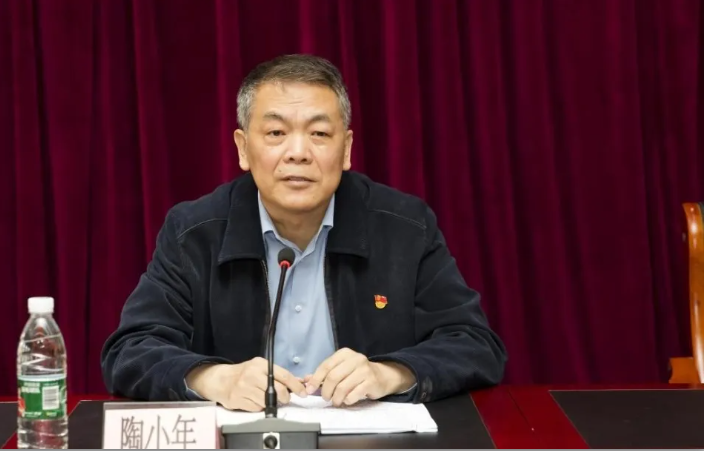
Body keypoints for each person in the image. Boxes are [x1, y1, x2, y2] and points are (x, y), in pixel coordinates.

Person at [100, 54, 507, 412]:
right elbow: (129, 351)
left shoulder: (404, 227)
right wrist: (214, 379)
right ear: (243, 148)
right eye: (276, 133)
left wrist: (390, 374)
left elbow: (474, 343)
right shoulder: (194, 232)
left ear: (346, 150)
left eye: (319, 134)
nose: (298, 153)